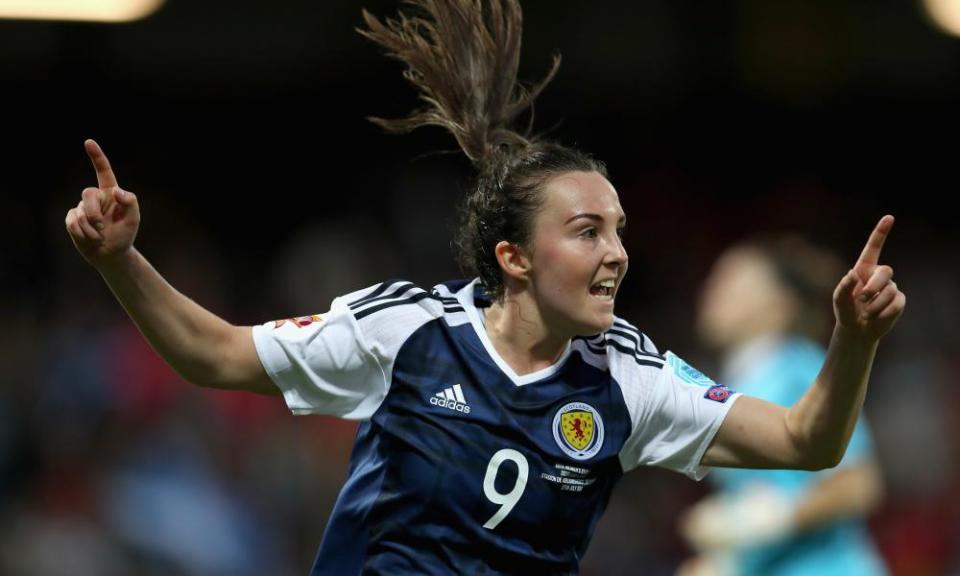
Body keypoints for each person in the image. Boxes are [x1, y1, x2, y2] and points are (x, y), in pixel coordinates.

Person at [63, 1, 905, 574]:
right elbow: (215, 353)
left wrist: (856, 339)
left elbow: (807, 442)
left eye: (619, 231)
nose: (616, 254)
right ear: (512, 256)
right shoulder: (407, 334)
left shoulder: (631, 378)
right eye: (587, 232)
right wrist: (118, 262)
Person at [678, 237, 888, 576]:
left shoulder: (803, 370)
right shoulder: (727, 386)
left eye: (732, 281)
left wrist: (767, 520)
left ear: (778, 304)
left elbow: (859, 484)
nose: (711, 291)